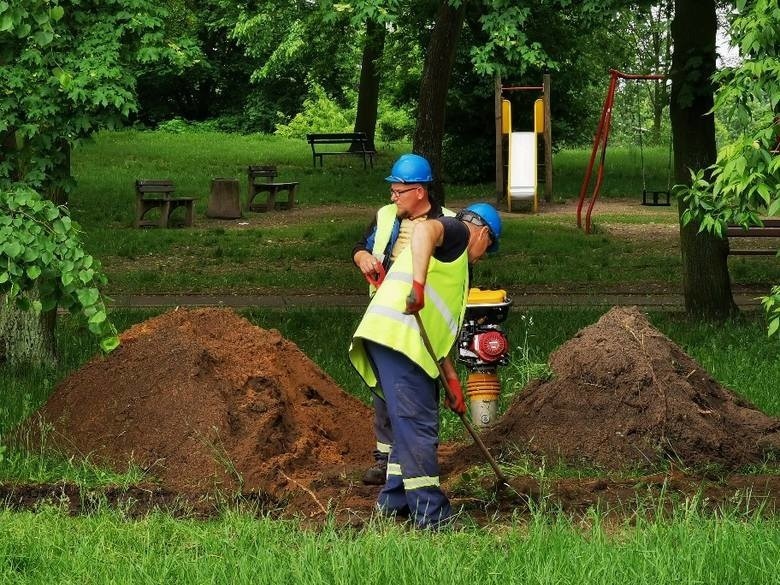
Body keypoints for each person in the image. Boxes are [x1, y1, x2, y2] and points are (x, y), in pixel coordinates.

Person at [348, 202, 502, 529]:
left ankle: (395, 501)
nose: (484, 255)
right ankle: (432, 517)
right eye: (489, 247)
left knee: (408, 424)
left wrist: (451, 380)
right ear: (484, 234)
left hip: (395, 341)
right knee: (419, 425)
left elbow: (433, 327)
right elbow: (424, 230)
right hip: (399, 340)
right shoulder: (457, 232)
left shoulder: (452, 263)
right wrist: (417, 286)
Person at [352, 153, 454, 485]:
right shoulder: (385, 217)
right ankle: (386, 459)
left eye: (399, 192)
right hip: (386, 319)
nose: (392, 198)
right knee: (385, 392)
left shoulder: (448, 223)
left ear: (420, 191)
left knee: (419, 390)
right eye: (392, 192)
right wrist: (363, 256)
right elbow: (358, 247)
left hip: (423, 320)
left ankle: (420, 456)